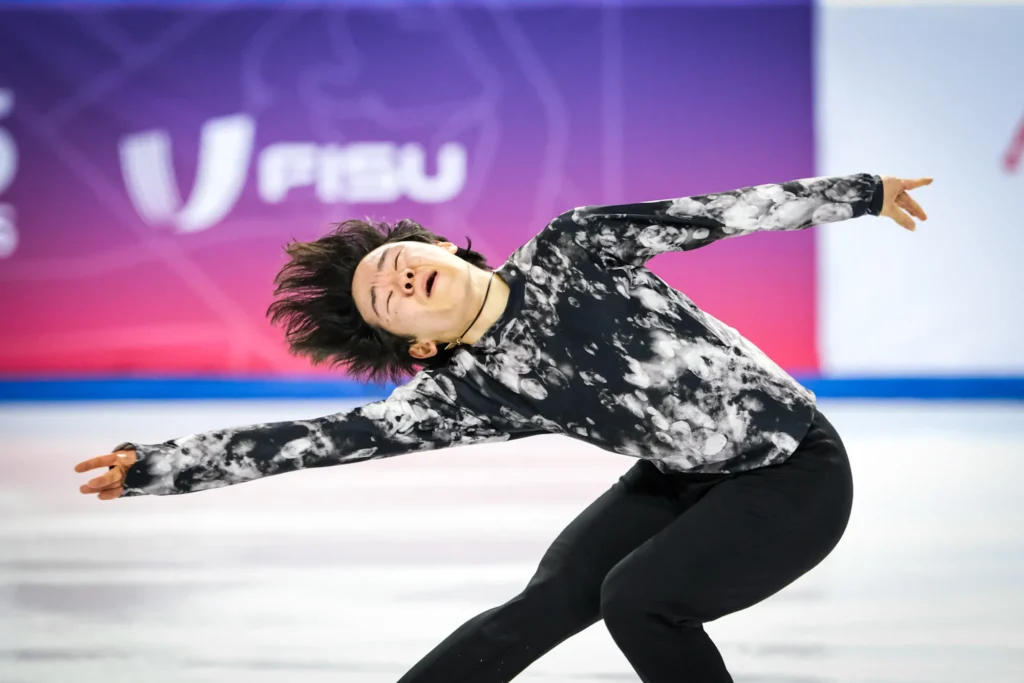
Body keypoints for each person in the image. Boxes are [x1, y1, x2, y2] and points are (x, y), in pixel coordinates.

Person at [75, 172, 932, 683]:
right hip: (681, 481)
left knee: (638, 599)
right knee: (541, 608)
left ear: (447, 245)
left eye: (401, 259)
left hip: (796, 471)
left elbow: (722, 211)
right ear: (417, 341)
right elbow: (314, 438)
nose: (402, 274)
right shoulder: (468, 390)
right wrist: (159, 466)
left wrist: (860, 194)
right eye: (386, 293)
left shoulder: (572, 247)